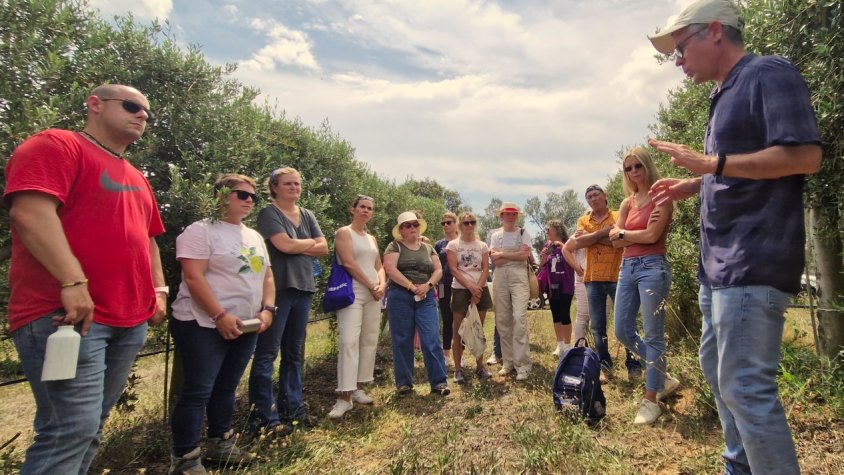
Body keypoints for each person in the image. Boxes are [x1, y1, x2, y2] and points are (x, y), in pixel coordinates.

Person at [646, 0, 821, 471]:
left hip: (752, 260)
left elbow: (804, 157)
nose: (677, 61)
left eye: (680, 48)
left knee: (745, 385)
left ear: (716, 32)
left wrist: (713, 165)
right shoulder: (723, 94)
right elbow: (742, 171)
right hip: (717, 268)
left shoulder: (768, 73)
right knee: (720, 374)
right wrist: (696, 182)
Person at [4, 84, 166, 474]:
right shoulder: (56, 145)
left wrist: (158, 290)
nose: (142, 115)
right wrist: (72, 281)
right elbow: (30, 212)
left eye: (147, 112)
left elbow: (148, 239)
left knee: (90, 428)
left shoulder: (136, 176)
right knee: (68, 430)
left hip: (128, 321)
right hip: (66, 316)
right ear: (95, 104)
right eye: (131, 106)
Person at [168, 174, 275, 473]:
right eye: (242, 195)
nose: (250, 201)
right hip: (202, 323)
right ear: (221, 195)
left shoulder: (253, 236)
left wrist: (268, 310)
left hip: (248, 323)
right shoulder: (200, 231)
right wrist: (219, 316)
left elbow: (267, 276)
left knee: (227, 387)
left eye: (253, 196)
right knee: (198, 390)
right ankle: (185, 460)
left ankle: (220, 442)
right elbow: (193, 276)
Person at [248, 167, 328, 432]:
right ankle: (264, 416)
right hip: (278, 289)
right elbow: (283, 246)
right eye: (288, 184)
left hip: (304, 289)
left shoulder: (307, 214)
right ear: (274, 188)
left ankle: (293, 409)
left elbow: (324, 247)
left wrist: (297, 243)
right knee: (267, 353)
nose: (294, 187)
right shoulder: (268, 213)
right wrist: (308, 243)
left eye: (297, 183)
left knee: (294, 354)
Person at [607, 148, 680, 425]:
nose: (634, 171)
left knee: (653, 335)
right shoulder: (627, 203)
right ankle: (661, 376)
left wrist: (625, 233)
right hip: (627, 268)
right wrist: (626, 236)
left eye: (638, 165)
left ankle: (652, 400)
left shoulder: (662, 197)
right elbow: (615, 242)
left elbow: (651, 236)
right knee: (622, 330)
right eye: (628, 168)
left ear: (647, 166)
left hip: (653, 267)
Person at [565, 185, 641, 378]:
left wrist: (592, 238)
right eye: (589, 196)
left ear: (605, 196)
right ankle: (604, 364)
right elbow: (579, 243)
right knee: (597, 325)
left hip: (620, 276)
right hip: (592, 278)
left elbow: (620, 242)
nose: (593, 199)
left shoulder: (618, 215)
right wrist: (602, 234)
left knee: (627, 322)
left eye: (596, 194)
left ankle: (633, 364)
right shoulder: (583, 220)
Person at [328, 195, 386, 418]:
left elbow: (378, 265)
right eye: (362, 207)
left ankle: (359, 387)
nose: (366, 211)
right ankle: (344, 396)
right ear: (352, 209)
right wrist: (372, 284)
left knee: (369, 339)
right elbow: (349, 263)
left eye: (370, 208)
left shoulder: (371, 238)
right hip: (354, 291)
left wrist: (381, 284)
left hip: (374, 292)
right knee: (349, 340)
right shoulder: (344, 233)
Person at [383, 211, 450, 396]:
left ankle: (439, 382)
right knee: (402, 340)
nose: (412, 228)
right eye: (407, 225)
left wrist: (428, 285)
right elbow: (390, 269)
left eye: (415, 224)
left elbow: (438, 270)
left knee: (431, 338)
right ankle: (404, 384)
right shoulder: (394, 246)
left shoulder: (428, 248)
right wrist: (412, 287)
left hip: (426, 297)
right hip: (401, 296)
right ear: (401, 230)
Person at [445, 212, 492, 383]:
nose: (469, 225)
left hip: (481, 290)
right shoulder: (453, 244)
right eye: (466, 223)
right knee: (459, 331)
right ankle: (458, 370)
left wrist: (477, 288)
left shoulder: (482, 245)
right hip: (460, 290)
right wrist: (471, 287)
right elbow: (454, 269)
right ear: (460, 225)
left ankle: (480, 367)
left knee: (477, 329)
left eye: (472, 222)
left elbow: (486, 269)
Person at [488, 202, 532, 381]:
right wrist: (511, 255)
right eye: (507, 213)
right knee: (502, 320)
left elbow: (524, 256)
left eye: (514, 213)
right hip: (500, 278)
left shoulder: (523, 233)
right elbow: (495, 262)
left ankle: (523, 365)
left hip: (519, 277)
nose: (510, 216)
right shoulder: (495, 235)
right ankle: (508, 362)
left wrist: (502, 254)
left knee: (519, 319)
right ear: (501, 216)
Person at [539, 220, 575, 357]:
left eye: (549, 229)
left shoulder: (568, 243)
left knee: (565, 314)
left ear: (557, 230)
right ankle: (559, 345)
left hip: (566, 284)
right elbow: (542, 265)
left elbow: (573, 258)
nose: (547, 232)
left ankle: (567, 345)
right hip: (552, 285)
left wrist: (562, 246)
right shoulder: (547, 245)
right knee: (556, 315)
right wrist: (544, 256)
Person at [434, 212, 459, 365]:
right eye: (443, 223)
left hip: (460, 284)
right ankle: (446, 355)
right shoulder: (439, 245)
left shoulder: (463, 242)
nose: (446, 225)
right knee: (447, 318)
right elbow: (434, 265)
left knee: (460, 320)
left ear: (456, 224)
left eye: (449, 222)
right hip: (443, 285)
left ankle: (459, 355)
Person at [562, 235, 589, 343]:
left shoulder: (611, 222)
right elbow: (566, 249)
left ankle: (600, 354)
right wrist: (577, 268)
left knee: (601, 319)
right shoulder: (582, 227)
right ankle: (579, 352)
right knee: (582, 316)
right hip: (583, 278)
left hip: (606, 276)